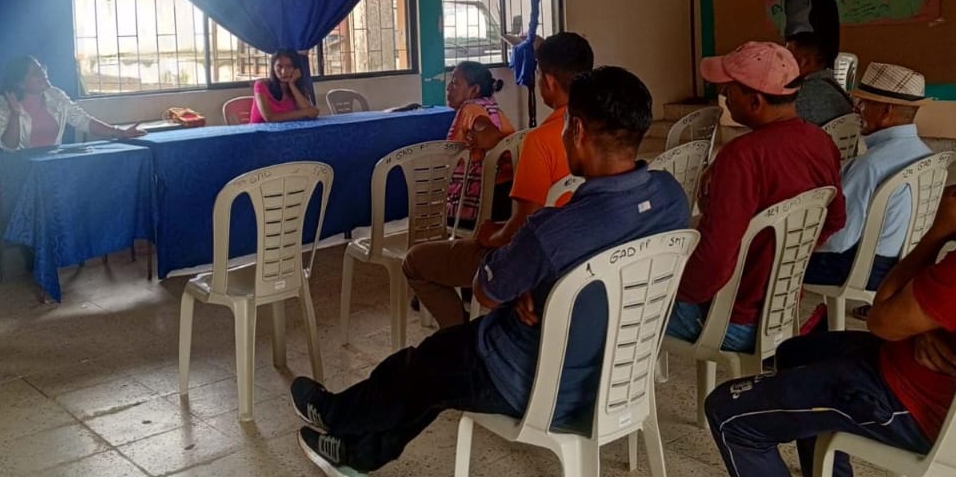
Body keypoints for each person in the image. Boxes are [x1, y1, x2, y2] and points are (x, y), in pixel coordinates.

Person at [288, 66, 691, 476]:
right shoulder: (670, 198)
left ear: (578, 129)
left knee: (420, 366)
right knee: (434, 370)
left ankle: (335, 415)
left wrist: (528, 282)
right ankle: (355, 450)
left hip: (532, 380)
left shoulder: (553, 231)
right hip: (619, 378)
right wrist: (548, 286)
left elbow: (485, 291)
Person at [704, 89, 956, 477]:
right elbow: (934, 312)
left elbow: (882, 321)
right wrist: (921, 326)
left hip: (919, 409)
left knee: (728, 412)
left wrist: (937, 233)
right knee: (795, 353)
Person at [404, 32, 593, 328]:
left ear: (549, 82)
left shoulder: (540, 140)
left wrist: (490, 236)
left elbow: (521, 227)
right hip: (577, 248)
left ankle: (462, 338)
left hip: (536, 255)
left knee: (416, 260)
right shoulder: (600, 130)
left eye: (538, 74)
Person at [667, 41, 846, 351]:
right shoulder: (821, 142)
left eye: (729, 90)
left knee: (623, 307)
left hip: (732, 322)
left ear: (755, 101)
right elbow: (836, 218)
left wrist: (674, 288)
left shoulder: (743, 156)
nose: (724, 96)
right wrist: (780, 256)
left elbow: (715, 260)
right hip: (782, 311)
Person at [805, 63, 932, 292]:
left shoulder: (870, 165)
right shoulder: (926, 154)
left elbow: (839, 239)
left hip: (863, 269)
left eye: (865, 103)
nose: (857, 109)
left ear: (886, 111)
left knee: (772, 263)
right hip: (904, 264)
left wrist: (800, 247)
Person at [0, 55, 145, 150]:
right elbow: (8, 145)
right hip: (19, 173)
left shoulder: (55, 95)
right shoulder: (3, 103)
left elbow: (84, 121)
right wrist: (15, 114)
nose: (43, 73)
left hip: (53, 169)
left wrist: (120, 133)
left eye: (42, 69)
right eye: (36, 72)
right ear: (20, 83)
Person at [444, 60, 515, 228]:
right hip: (507, 197)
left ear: (474, 90)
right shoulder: (493, 108)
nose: (448, 88)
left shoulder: (470, 108)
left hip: (479, 205)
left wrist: (482, 137)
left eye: (455, 83)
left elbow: (490, 135)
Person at [782, 0, 853, 125]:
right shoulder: (831, 88)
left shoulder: (803, 100)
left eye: (787, 51)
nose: (782, 59)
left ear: (804, 62)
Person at [250, 49, 319, 123]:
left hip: (289, 129)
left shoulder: (296, 87)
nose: (284, 72)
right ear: (273, 68)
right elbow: (270, 118)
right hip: (261, 130)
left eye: (289, 66)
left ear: (296, 69)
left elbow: (310, 112)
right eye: (279, 66)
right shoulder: (261, 85)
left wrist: (292, 84)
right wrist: (304, 112)